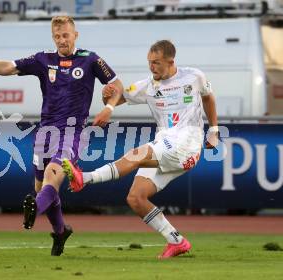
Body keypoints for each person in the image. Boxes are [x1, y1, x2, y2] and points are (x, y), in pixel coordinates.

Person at [0, 16, 123, 256]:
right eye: (57, 36)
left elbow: (117, 86)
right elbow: (8, 67)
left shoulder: (91, 59)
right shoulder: (44, 60)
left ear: (75, 35)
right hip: (46, 132)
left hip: (72, 132)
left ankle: (34, 209)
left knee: (53, 176)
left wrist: (109, 107)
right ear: (53, 38)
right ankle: (60, 230)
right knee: (41, 186)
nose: (62, 40)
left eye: (66, 35)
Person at [62, 40, 219, 259]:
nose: (151, 67)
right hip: (166, 142)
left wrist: (213, 129)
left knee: (136, 155)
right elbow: (118, 97)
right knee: (136, 198)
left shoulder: (194, 77)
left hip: (187, 143)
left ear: (170, 61)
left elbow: (208, 97)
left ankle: (85, 178)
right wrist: (107, 98)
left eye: (156, 63)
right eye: (149, 62)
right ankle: (176, 241)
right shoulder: (147, 86)